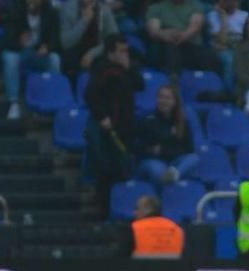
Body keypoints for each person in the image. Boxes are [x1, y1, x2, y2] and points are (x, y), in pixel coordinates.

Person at [84, 34, 144, 219]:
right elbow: (91, 95)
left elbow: (140, 85)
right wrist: (102, 117)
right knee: (106, 170)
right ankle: (103, 212)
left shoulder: (128, 69)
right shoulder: (102, 70)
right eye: (121, 51)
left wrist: (128, 69)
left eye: (127, 50)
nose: (125, 54)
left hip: (125, 126)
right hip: (108, 129)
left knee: (121, 170)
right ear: (111, 52)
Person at [1, 0, 62, 120]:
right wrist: (19, 43)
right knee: (9, 58)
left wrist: (48, 47)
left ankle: (49, 101)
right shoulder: (15, 10)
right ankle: (14, 103)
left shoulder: (51, 13)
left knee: (55, 59)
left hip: (39, 53)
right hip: (20, 52)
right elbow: (6, 40)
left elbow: (56, 40)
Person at [135, 84, 198, 186]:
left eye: (168, 98)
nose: (163, 101)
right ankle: (166, 185)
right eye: (161, 97)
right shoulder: (148, 120)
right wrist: (170, 137)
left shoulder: (182, 122)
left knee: (194, 158)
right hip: (152, 161)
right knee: (157, 170)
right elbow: (141, 147)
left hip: (174, 162)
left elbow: (188, 150)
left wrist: (163, 148)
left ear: (174, 102)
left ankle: (174, 175)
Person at [145, 0, 219, 75]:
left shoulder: (195, 5)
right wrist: (166, 35)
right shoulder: (156, 7)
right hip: (165, 46)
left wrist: (182, 36)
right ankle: (173, 80)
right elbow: (154, 31)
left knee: (211, 56)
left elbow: (195, 26)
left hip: (191, 46)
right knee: (170, 47)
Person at [59, 0, 119, 76]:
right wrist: (83, 22)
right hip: (74, 52)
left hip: (97, 52)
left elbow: (114, 39)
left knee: (110, 60)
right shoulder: (68, 9)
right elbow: (65, 43)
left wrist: (93, 53)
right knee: (69, 59)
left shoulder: (104, 10)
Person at [207, 0, 248, 89]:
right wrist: (223, 19)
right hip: (220, 51)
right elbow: (222, 40)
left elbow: (247, 40)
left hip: (240, 49)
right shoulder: (212, 15)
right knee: (229, 59)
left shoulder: (245, 16)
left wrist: (230, 43)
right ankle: (229, 94)